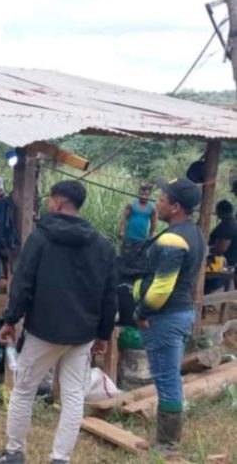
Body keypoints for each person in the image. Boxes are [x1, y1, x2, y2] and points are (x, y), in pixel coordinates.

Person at [0, 181, 117, 464]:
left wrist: (10, 319)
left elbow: (22, 283)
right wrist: (103, 333)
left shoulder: (41, 238)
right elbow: (110, 295)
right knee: (73, 397)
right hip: (82, 333)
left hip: (44, 331)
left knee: (24, 390)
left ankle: (13, 453)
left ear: (57, 204)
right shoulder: (102, 245)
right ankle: (60, 459)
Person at [133, 178, 204, 456]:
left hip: (165, 316)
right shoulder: (194, 233)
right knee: (169, 376)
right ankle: (167, 440)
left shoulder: (173, 239)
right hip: (182, 312)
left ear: (175, 207)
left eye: (162, 199)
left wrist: (142, 311)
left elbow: (163, 285)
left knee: (166, 379)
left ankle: (166, 445)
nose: (157, 203)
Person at [205, 200, 237, 294]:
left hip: (223, 263)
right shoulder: (231, 224)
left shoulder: (227, 226)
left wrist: (208, 250)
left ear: (220, 211)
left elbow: (221, 248)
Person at [119, 184, 157, 253]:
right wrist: (121, 231)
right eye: (142, 194)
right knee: (125, 257)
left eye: (146, 195)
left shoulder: (152, 208)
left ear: (149, 196)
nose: (143, 196)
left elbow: (153, 223)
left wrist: (150, 237)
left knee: (138, 260)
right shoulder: (131, 204)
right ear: (139, 194)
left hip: (142, 239)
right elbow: (124, 218)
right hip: (129, 237)